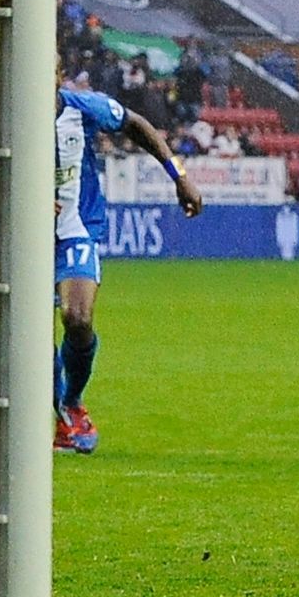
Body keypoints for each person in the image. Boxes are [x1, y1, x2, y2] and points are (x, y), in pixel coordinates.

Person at [52, 85, 204, 452]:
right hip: (19, 235)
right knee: (33, 337)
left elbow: (136, 124)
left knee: (78, 318)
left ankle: (71, 402)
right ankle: (56, 416)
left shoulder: (83, 107)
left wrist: (179, 176)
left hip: (75, 228)